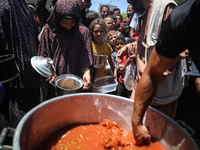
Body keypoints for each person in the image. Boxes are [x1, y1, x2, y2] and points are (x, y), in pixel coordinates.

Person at [131, 0, 200, 145]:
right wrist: (136, 122)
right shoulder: (182, 18)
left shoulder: (167, 8)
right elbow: (152, 71)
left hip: (167, 92)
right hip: (150, 92)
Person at [38, 0, 93, 100]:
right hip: (54, 82)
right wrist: (50, 74)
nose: (68, 26)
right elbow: (43, 55)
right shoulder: (49, 30)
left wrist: (86, 71)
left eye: (72, 23)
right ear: (57, 18)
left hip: (76, 81)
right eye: (64, 22)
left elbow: (86, 56)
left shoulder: (83, 32)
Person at [0, 0, 41, 131]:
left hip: (14, 74)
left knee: (15, 123)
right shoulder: (24, 9)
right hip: (29, 71)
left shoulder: (7, 5)